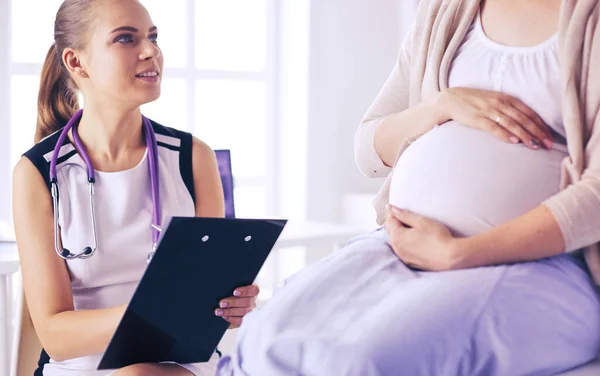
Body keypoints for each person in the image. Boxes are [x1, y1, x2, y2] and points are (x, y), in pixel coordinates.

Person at [214, 0, 600, 375]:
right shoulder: (447, 10)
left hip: (538, 263)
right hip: (400, 243)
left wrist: (458, 253)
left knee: (362, 362)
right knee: (262, 337)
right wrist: (441, 105)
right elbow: (367, 149)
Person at [12, 0, 259, 375]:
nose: (151, 52)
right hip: (81, 368)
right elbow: (55, 335)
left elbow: (210, 307)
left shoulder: (193, 158)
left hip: (180, 364)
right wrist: (155, 312)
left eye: (153, 37)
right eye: (126, 39)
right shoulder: (37, 174)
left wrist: (229, 306)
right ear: (77, 63)